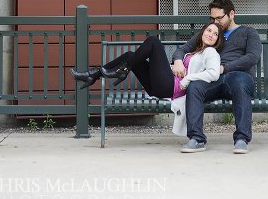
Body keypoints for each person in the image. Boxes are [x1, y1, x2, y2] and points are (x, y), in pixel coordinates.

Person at [70, 22, 223, 137]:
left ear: (217, 40)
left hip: (171, 87)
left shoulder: (210, 52)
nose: (210, 34)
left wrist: (188, 79)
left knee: (154, 42)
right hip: (162, 85)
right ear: (202, 32)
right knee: (131, 56)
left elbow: (213, 73)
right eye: (209, 30)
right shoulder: (195, 51)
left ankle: (116, 71)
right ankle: (94, 75)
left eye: (215, 34)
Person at [175, 0, 262, 154]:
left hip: (238, 76)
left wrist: (224, 68)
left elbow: (252, 57)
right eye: (212, 18)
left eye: (219, 18)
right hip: (212, 78)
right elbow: (182, 49)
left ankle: (242, 139)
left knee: (241, 83)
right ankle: (197, 139)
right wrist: (178, 61)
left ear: (232, 14)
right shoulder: (211, 32)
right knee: (194, 86)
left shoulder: (249, 32)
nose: (215, 22)